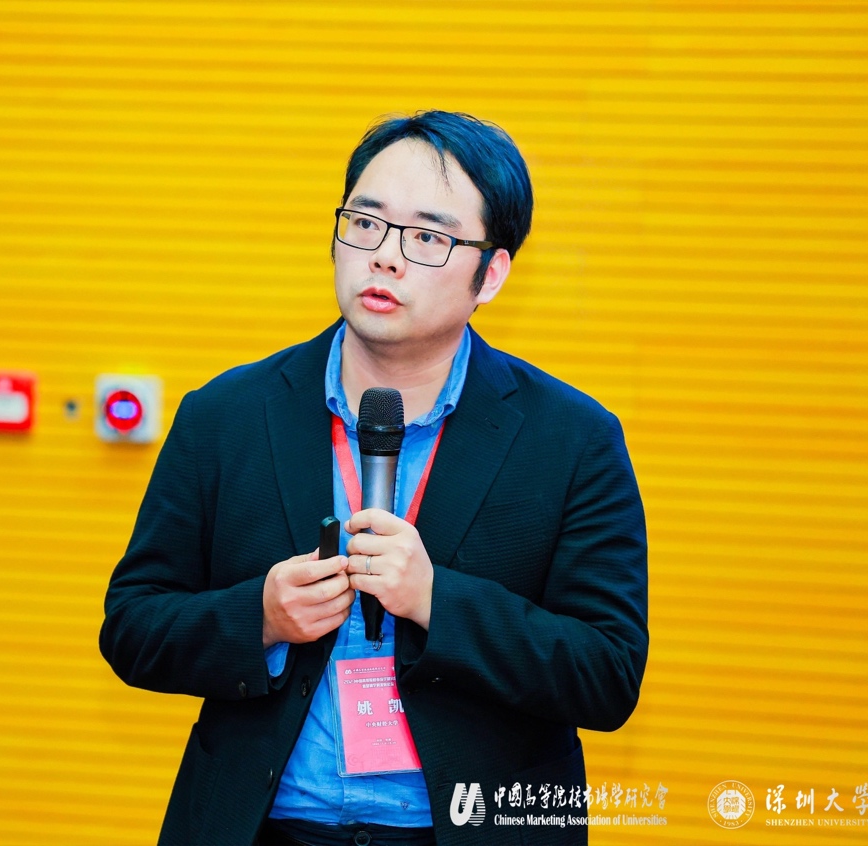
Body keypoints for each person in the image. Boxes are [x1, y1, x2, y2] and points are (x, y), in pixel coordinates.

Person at [100, 110, 648, 846]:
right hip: (263, 828)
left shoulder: (572, 440)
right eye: (365, 223)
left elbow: (608, 674)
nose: (385, 257)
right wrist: (258, 617)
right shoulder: (227, 415)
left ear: (491, 274)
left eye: (426, 238)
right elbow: (133, 627)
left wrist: (436, 600)